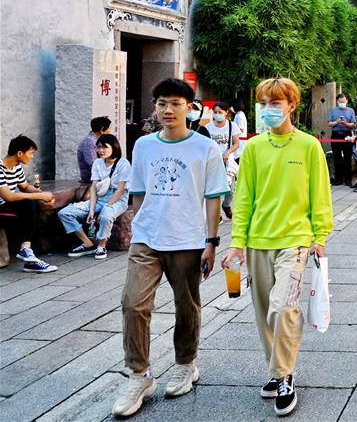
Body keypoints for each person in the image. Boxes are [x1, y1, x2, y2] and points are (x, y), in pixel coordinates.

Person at [114, 78, 229, 417]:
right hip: (147, 238)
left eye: (176, 104)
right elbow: (138, 192)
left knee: (186, 305)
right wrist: (139, 225)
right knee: (133, 303)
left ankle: (185, 364)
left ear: (189, 108)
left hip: (188, 240)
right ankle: (139, 374)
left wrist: (211, 242)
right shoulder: (144, 145)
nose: (168, 110)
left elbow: (214, 198)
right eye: (162, 103)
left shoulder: (204, 148)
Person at [222, 77, 333, 417]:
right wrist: (237, 243)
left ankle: (284, 376)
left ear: (291, 106)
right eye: (263, 104)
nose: (268, 109)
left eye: (275, 103)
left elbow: (320, 193)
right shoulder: (254, 148)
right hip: (258, 240)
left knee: (283, 307)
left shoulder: (309, 146)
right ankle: (278, 368)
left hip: (295, 240)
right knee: (263, 313)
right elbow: (244, 198)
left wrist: (320, 236)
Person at [58, 134, 131, 260]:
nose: (100, 150)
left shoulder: (123, 163)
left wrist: (106, 207)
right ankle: (87, 243)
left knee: (106, 216)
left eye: (104, 147)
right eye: (98, 147)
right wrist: (91, 210)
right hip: (99, 198)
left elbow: (120, 190)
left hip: (118, 200)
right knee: (65, 213)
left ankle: (102, 245)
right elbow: (93, 187)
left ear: (114, 147)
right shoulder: (97, 163)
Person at [0, 135, 57, 273]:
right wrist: (39, 196)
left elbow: (24, 187)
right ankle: (26, 250)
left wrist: (43, 195)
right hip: (2, 207)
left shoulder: (16, 167)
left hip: (7, 206)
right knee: (29, 204)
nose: (32, 157)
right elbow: (8, 196)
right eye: (31, 153)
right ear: (20, 153)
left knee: (33, 203)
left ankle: (27, 251)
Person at [205, 102, 241, 220]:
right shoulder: (208, 127)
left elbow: (236, 143)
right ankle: (217, 214)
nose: (217, 114)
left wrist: (228, 152)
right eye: (215, 112)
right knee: (215, 188)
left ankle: (226, 205)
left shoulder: (232, 125)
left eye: (220, 112)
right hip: (213, 161)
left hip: (227, 161)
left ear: (226, 113)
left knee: (230, 188)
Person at [328, 93, 357, 187]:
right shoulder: (333, 110)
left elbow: (353, 124)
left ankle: (348, 179)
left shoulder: (351, 111)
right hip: (336, 135)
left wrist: (346, 124)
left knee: (348, 157)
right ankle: (338, 179)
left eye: (344, 102)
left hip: (346, 134)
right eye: (340, 102)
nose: (342, 103)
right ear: (337, 101)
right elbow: (329, 123)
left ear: (347, 101)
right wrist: (336, 122)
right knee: (337, 157)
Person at [77, 116, 111, 183]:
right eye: (109, 128)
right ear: (102, 129)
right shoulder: (90, 141)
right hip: (91, 180)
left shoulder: (96, 140)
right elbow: (93, 164)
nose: (109, 131)